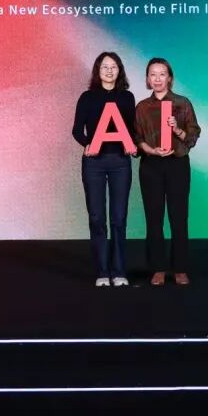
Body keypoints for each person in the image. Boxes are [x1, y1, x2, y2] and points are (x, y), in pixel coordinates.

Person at [72, 52, 138, 287]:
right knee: (97, 217)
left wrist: (133, 145)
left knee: (119, 218)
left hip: (120, 162)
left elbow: (132, 129)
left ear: (119, 71)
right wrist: (87, 144)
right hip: (94, 163)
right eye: (104, 67)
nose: (109, 71)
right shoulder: (87, 97)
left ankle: (119, 271)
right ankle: (102, 271)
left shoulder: (127, 97)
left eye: (114, 67)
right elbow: (77, 130)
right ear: (97, 71)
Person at [134, 57, 201, 286]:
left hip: (177, 165)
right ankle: (158, 268)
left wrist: (177, 129)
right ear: (147, 79)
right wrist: (150, 150)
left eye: (162, 74)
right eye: (152, 74)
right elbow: (136, 137)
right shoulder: (142, 107)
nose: (157, 79)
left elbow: (193, 134)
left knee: (179, 218)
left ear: (169, 78)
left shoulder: (182, 103)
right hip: (151, 166)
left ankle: (180, 268)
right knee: (154, 219)